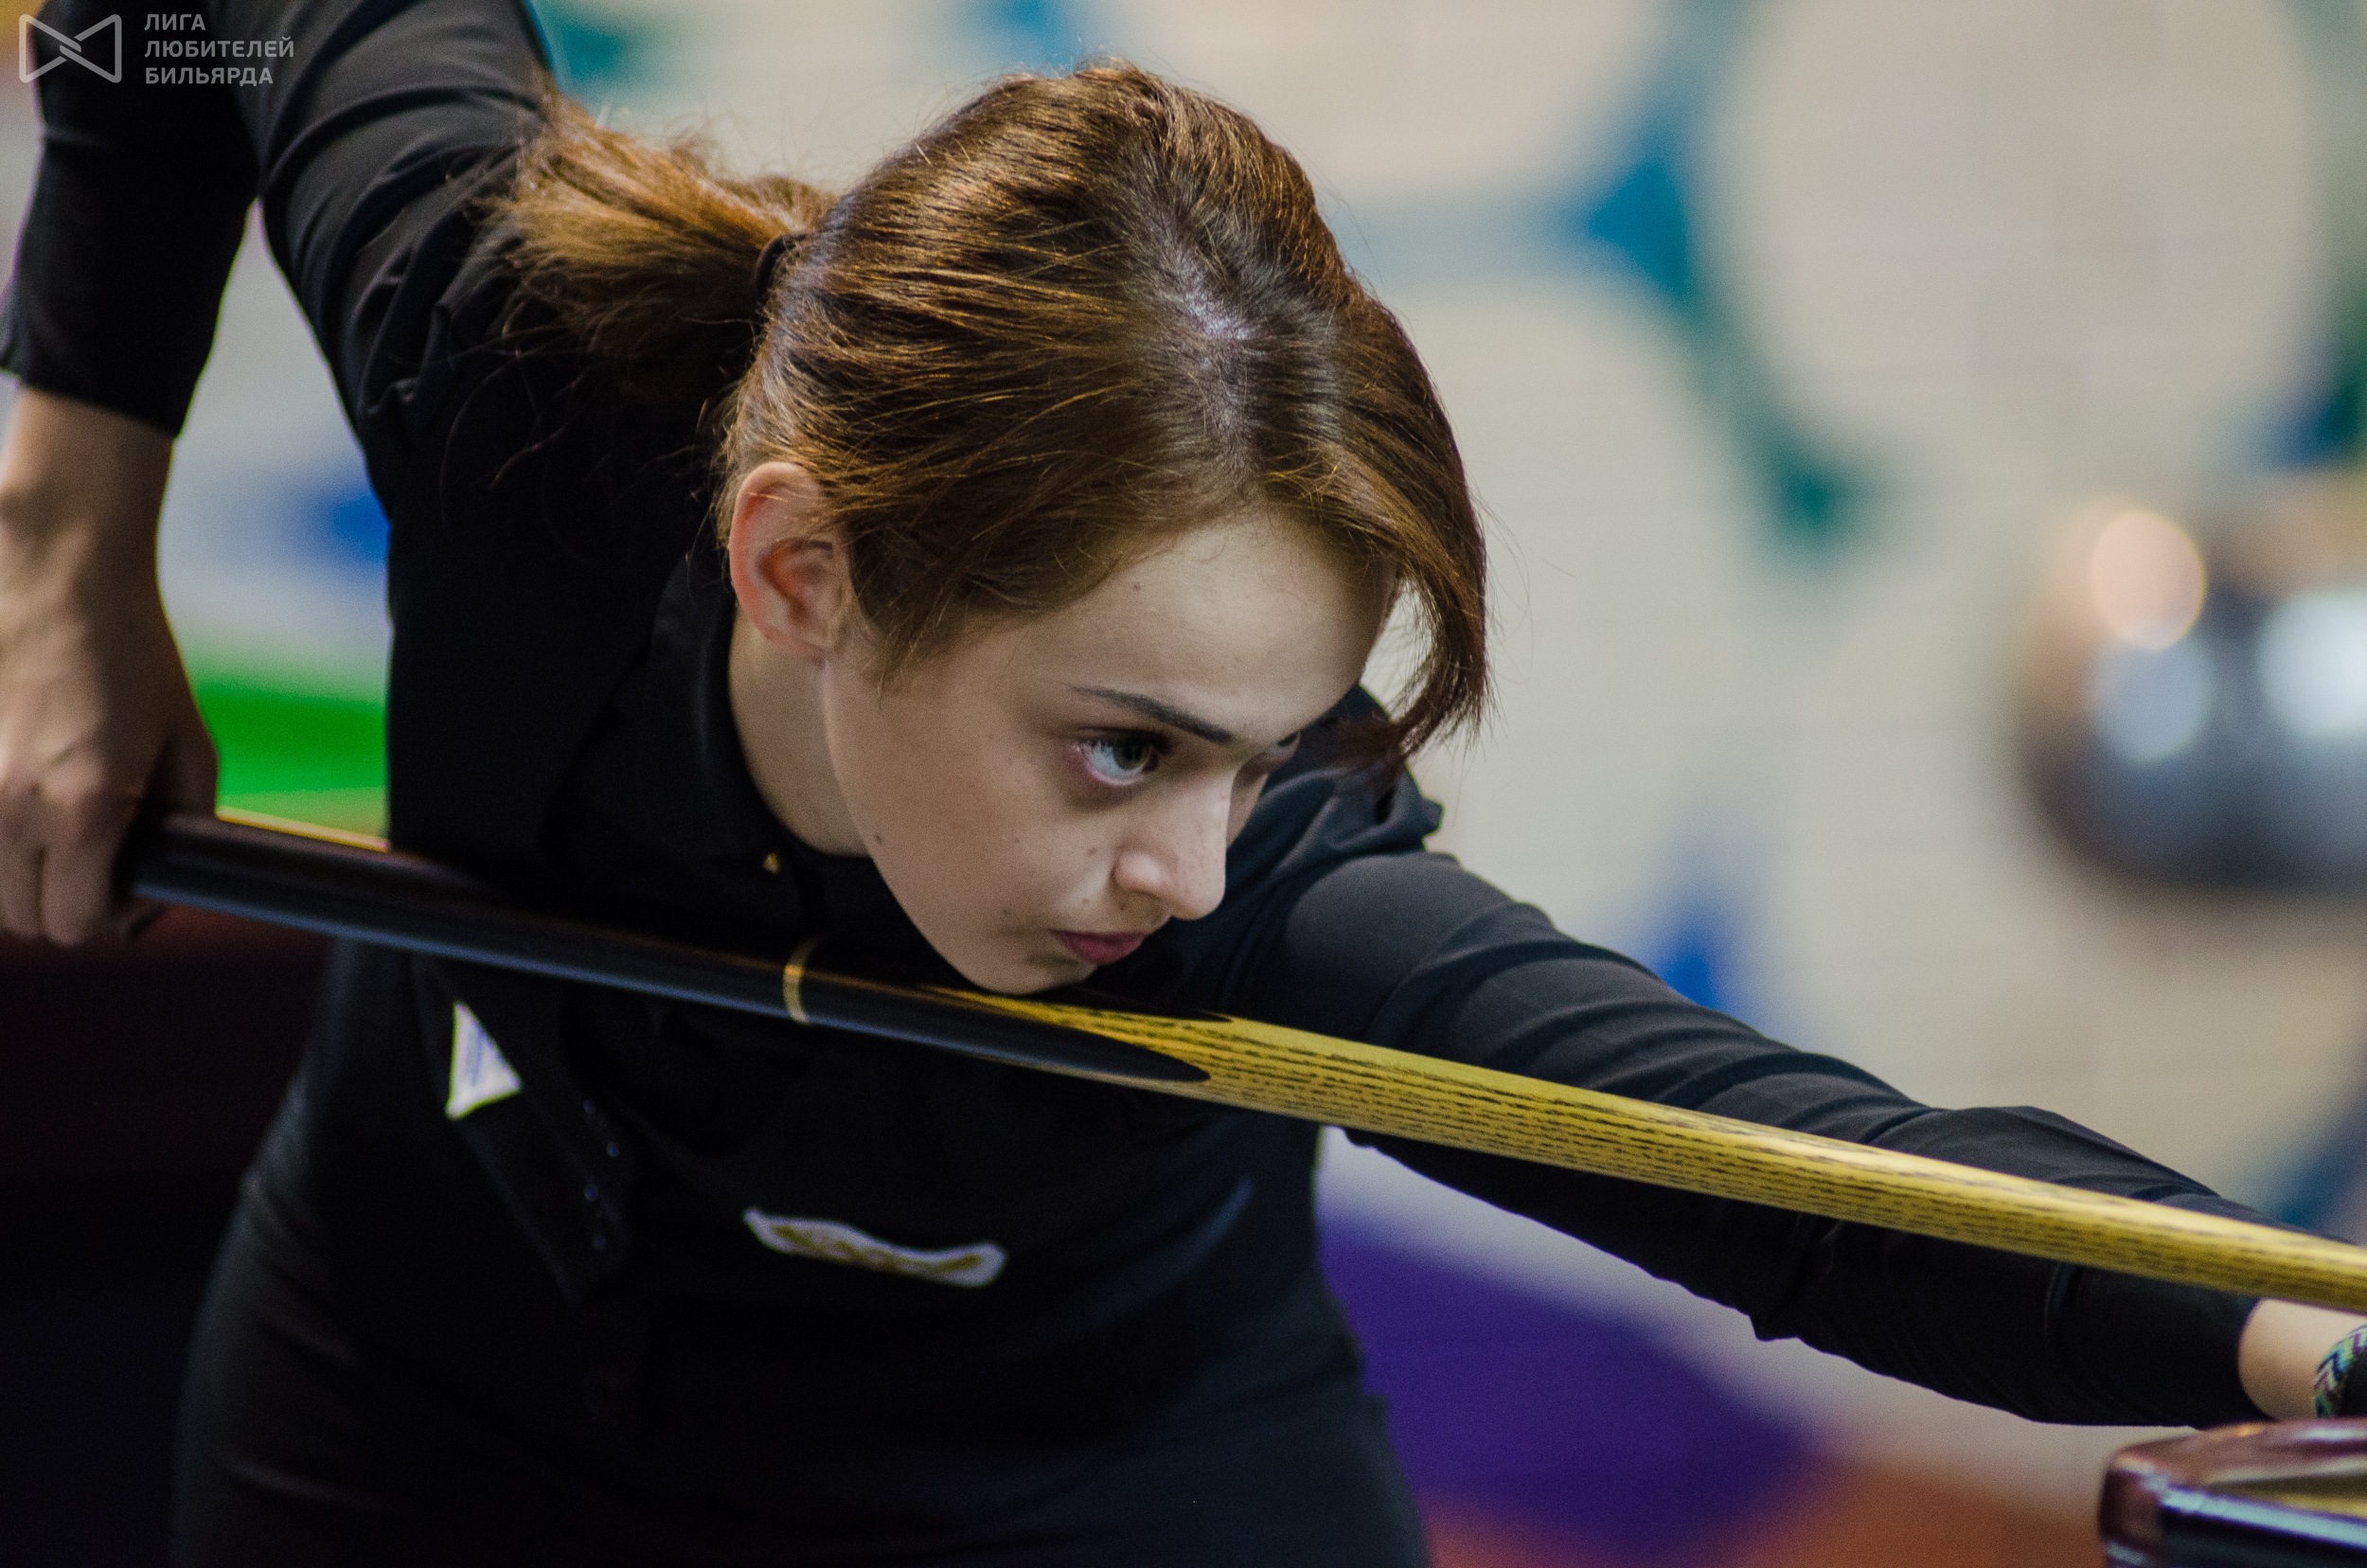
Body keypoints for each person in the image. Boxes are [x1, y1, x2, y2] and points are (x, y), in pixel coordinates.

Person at [0, 2, 2357, 1562]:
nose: (1183, 865)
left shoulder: (1267, 901)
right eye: (1120, 742)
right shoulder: (513, 376)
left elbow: (1811, 1184)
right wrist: (66, 539)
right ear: (801, 566)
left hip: (1097, 1470)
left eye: (1255, 751)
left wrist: (2300, 1337)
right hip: (432, 1386)